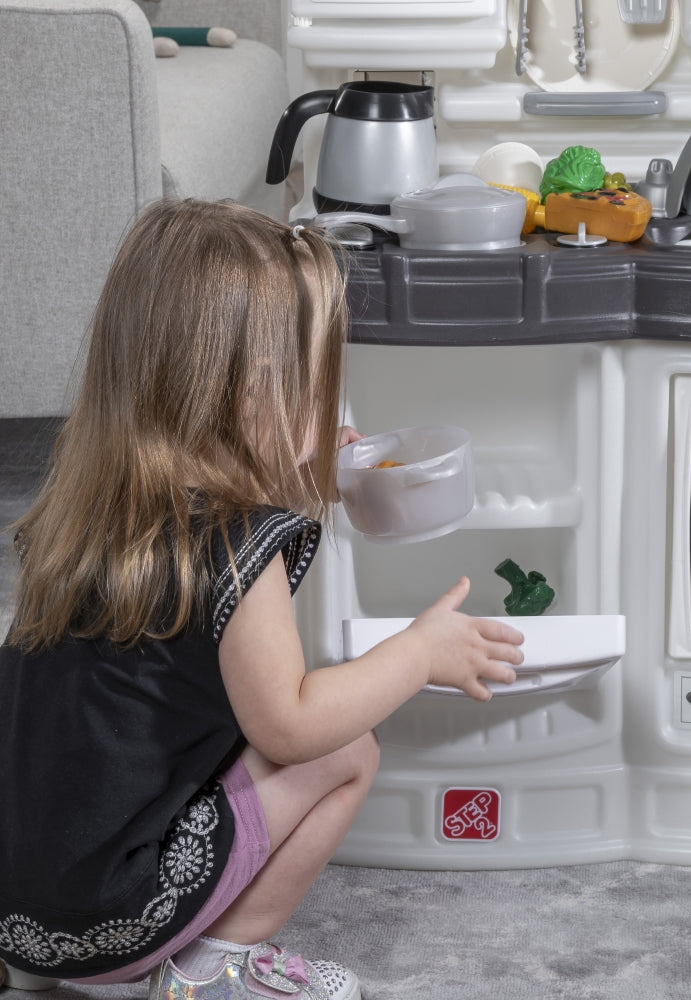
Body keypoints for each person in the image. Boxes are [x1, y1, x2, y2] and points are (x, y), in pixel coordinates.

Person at [0, 199, 524, 1000]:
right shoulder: (242, 543)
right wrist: (419, 654)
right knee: (346, 752)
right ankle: (211, 971)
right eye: (321, 392)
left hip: (23, 919)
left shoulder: (73, 514)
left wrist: (307, 471)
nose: (334, 417)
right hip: (118, 918)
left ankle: (56, 972)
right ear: (249, 399)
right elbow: (291, 722)